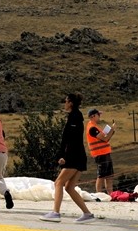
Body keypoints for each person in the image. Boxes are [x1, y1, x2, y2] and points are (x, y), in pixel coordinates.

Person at [40, 92, 95, 223]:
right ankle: (87, 214)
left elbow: (71, 140)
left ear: (70, 102)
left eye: (65, 101)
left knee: (58, 182)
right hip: (79, 156)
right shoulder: (76, 117)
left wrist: (64, 156)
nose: (64, 104)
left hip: (74, 156)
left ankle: (55, 212)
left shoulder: (74, 117)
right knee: (69, 187)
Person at [85, 108, 116, 194]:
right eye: (98, 115)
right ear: (93, 116)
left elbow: (105, 137)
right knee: (101, 175)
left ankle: (111, 194)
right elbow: (105, 138)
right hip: (100, 154)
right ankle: (99, 194)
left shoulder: (95, 126)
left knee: (109, 176)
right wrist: (112, 129)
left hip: (105, 153)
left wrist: (110, 131)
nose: (99, 117)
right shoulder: (92, 128)